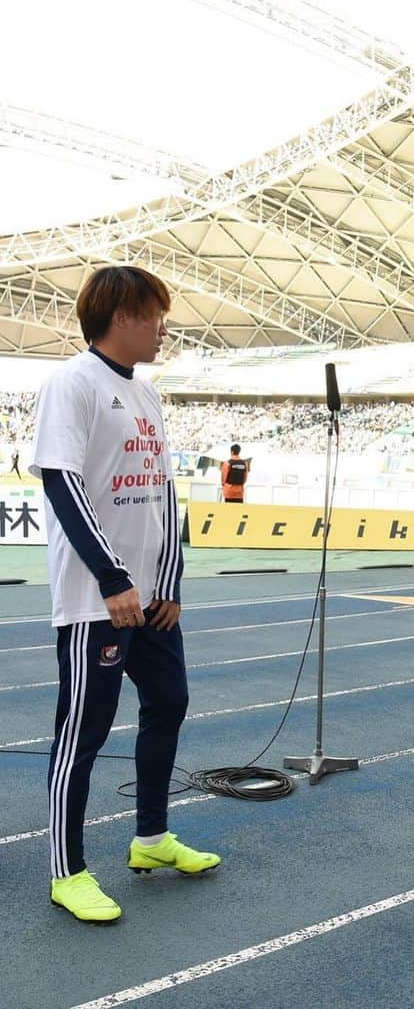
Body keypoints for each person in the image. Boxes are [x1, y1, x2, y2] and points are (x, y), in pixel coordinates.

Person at [29, 266, 219, 924]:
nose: (164, 327)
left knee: (169, 700)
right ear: (122, 315)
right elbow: (61, 483)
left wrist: (167, 580)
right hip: (98, 601)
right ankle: (67, 871)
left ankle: (151, 838)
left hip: (150, 600)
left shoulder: (150, 396)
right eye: (155, 313)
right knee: (82, 734)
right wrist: (113, 578)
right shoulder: (72, 384)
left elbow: (163, 492)